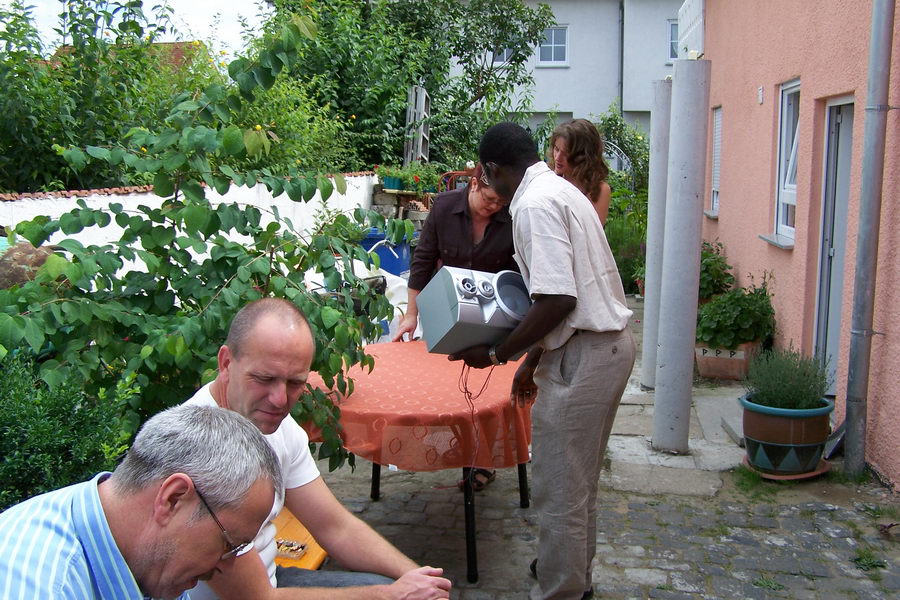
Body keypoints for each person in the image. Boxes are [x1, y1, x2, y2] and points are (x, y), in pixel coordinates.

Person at [449, 122, 635, 600]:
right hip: (605, 348)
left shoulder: (533, 205)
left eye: (483, 174)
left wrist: (495, 353)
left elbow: (557, 299)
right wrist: (530, 362)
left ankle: (561, 591)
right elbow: (562, 292)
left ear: (491, 169)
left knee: (561, 490)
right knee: (579, 483)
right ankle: (574, 577)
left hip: (586, 355)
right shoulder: (559, 189)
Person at [184, 297, 452, 600]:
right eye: (264, 379)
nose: (280, 400)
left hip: (270, 580)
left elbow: (335, 527)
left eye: (295, 383)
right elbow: (257, 598)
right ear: (226, 363)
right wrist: (393, 594)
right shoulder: (201, 454)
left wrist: (420, 580)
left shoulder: (274, 424)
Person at [0, 404, 282, 600]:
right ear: (172, 499)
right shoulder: (44, 586)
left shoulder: (149, 557)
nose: (224, 565)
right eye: (229, 544)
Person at [392, 162, 518, 491]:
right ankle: (451, 449)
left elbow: (518, 275)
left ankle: (483, 461)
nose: (495, 207)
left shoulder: (511, 217)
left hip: (492, 316)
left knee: (488, 392)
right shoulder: (445, 207)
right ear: (474, 184)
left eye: (501, 203)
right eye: (490, 199)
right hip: (445, 311)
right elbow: (422, 260)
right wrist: (411, 314)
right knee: (447, 389)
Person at [548, 119, 612, 225]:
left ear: (583, 156)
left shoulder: (599, 190)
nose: (558, 158)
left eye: (566, 153)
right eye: (556, 149)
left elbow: (593, 233)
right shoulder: (549, 180)